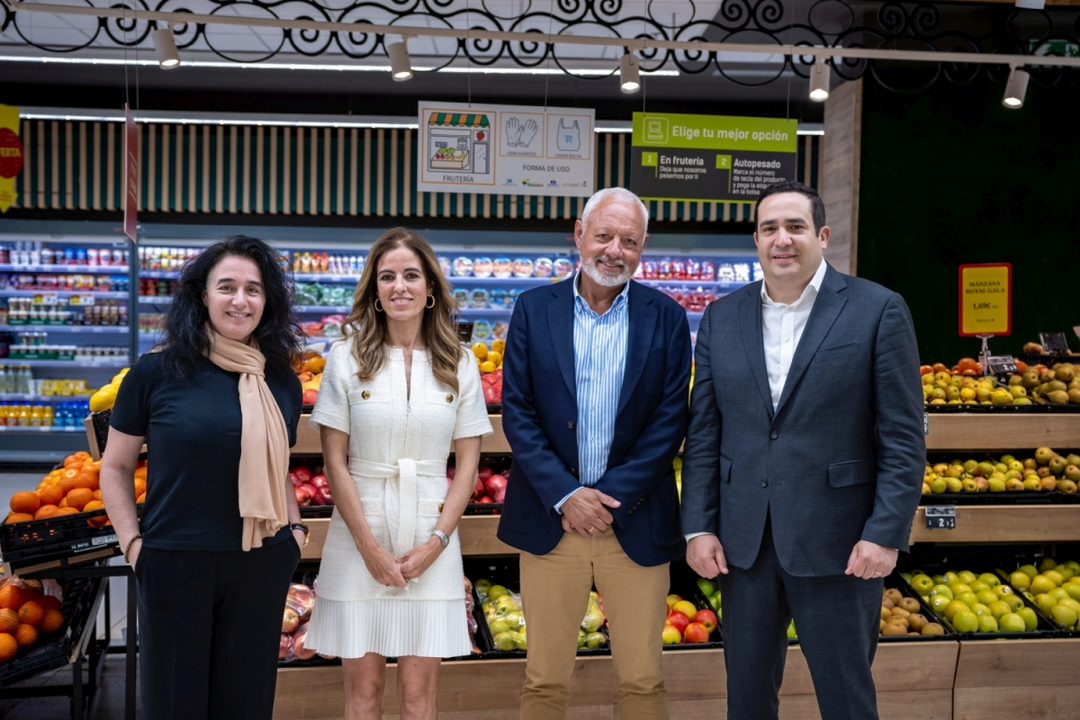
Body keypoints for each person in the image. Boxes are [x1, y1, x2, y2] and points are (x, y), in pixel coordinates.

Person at [680, 180, 925, 720]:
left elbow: (904, 437)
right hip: (744, 547)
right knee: (746, 700)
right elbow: (705, 431)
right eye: (770, 228)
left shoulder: (877, 310)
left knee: (846, 700)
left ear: (823, 235)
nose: (782, 239)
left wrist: (885, 534)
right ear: (756, 239)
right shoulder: (723, 317)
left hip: (840, 547)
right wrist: (698, 526)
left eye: (794, 227)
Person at [498, 187, 691, 720]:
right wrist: (566, 494)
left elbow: (669, 420)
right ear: (579, 235)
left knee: (644, 680)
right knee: (543, 680)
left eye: (628, 240)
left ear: (643, 246)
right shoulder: (534, 309)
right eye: (603, 235)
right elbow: (518, 412)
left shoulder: (668, 318)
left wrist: (609, 498)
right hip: (550, 519)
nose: (614, 250)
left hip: (634, 521)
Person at [100, 235, 306, 720]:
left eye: (253, 289)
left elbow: (278, 470)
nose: (240, 300)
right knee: (175, 704)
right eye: (227, 286)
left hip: (260, 562)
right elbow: (115, 466)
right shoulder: (155, 373)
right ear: (202, 296)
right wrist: (133, 545)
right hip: (176, 563)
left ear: (267, 300)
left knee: (246, 704)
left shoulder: (281, 380)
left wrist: (295, 533)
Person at [304, 227, 492, 719]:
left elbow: (468, 463)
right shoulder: (345, 358)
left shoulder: (459, 362)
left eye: (411, 275)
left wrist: (436, 541)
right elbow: (334, 461)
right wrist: (369, 548)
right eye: (387, 277)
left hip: (430, 542)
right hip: (358, 539)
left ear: (430, 287)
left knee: (418, 697)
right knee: (362, 696)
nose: (400, 286)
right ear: (374, 289)